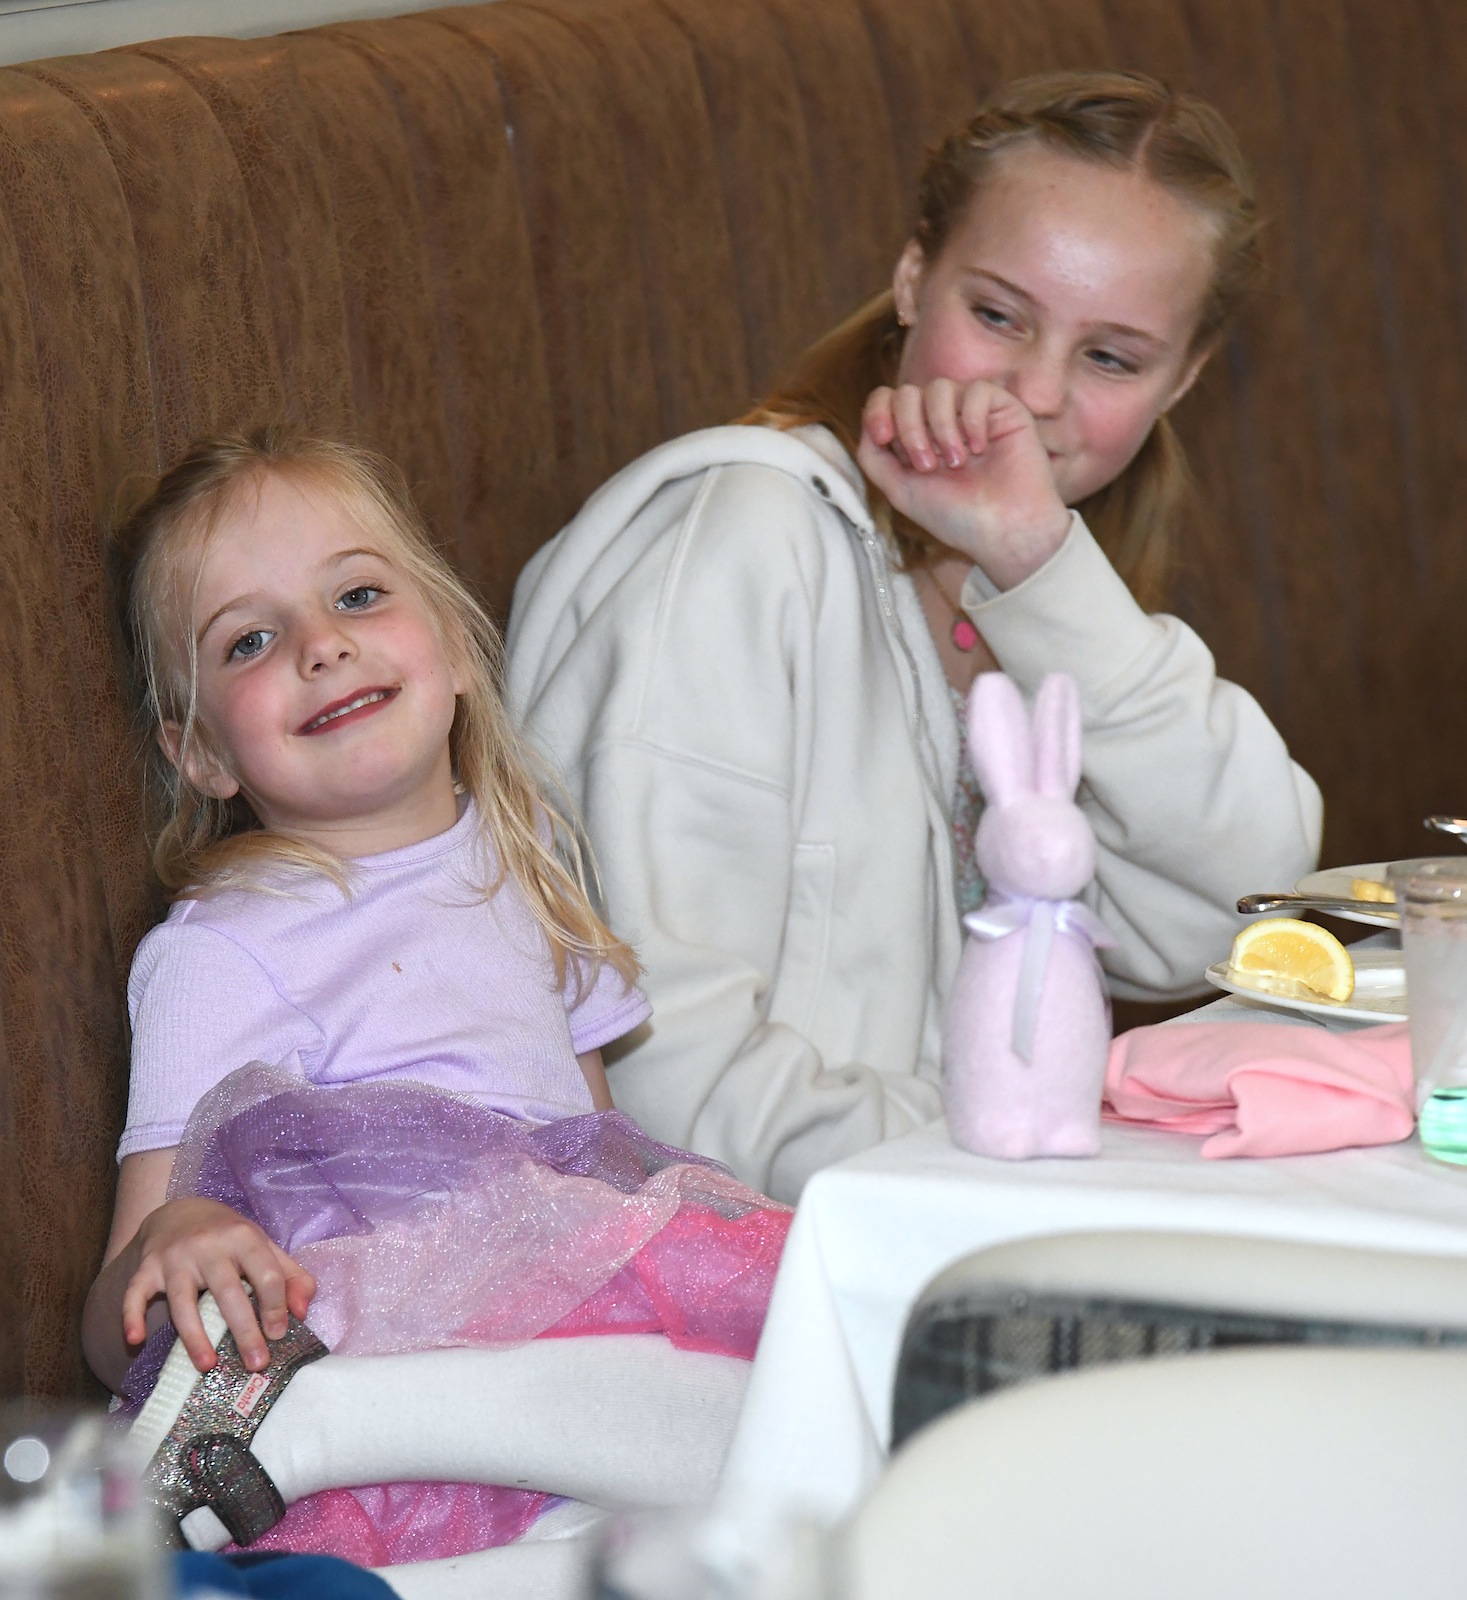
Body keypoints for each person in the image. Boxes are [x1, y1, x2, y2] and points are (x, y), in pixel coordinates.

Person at [506, 70, 1324, 1204]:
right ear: (910, 278)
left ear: (1179, 382)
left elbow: (1240, 907)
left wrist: (1038, 561)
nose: (1036, 391)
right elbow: (660, 1071)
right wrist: (994, 1159)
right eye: (997, 315)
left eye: (1111, 357)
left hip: (926, 1205)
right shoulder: (738, 543)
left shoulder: (1047, 600)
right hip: (753, 1247)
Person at [82, 429, 789, 1593]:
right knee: (774, 1432)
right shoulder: (224, 948)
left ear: (457, 646)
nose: (322, 644)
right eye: (250, 640)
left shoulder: (530, 859)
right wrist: (174, 1239)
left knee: (800, 1386)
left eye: (359, 593)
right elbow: (118, 1328)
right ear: (202, 751)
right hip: (393, 1363)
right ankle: (308, 1438)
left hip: (566, 1366)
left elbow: (604, 1160)